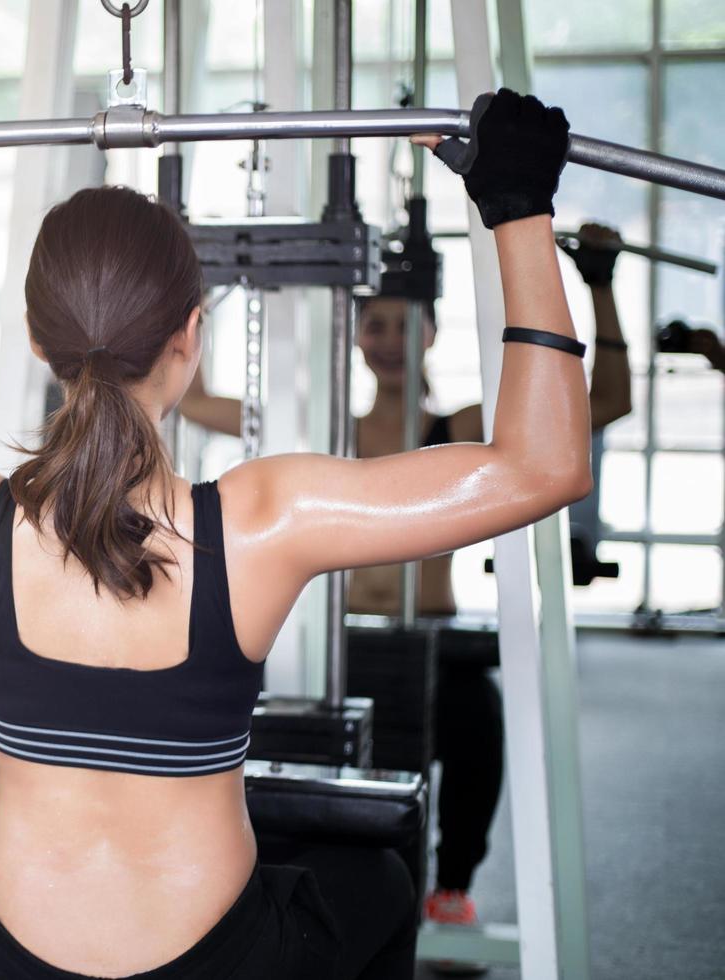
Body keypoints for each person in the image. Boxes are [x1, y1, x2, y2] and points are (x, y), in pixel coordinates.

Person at [0, 89, 589, 979]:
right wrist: (518, 212)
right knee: (381, 881)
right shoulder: (264, 522)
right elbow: (541, 467)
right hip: (214, 968)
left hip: (7, 962)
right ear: (190, 338)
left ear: (41, 348)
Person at [183, 225, 632, 949]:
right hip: (337, 651)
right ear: (356, 337)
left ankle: (450, 888)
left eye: (403, 325)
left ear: (430, 335)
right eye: (375, 325)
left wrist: (601, 285)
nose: (389, 339)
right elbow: (195, 403)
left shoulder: (449, 428)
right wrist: (199, 293)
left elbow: (602, 403)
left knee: (476, 722)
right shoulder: (327, 430)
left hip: (433, 648)